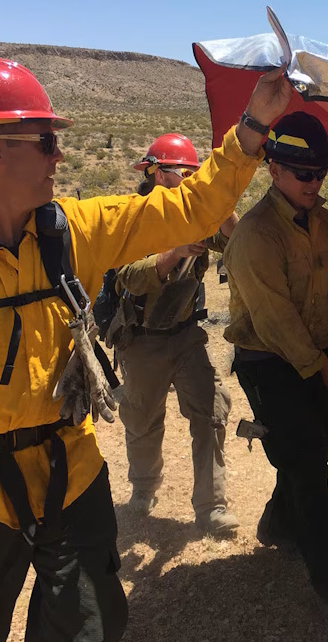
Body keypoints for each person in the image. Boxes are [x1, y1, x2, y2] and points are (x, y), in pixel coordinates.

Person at [0, 57, 290, 642]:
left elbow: (191, 209)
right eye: (45, 141)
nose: (59, 156)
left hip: (69, 475)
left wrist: (254, 123)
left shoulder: (73, 231)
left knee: (89, 630)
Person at [222, 111, 328, 633]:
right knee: (309, 469)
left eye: (320, 172)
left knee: (308, 454)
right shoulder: (256, 235)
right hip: (269, 363)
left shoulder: (324, 224)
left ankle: (278, 524)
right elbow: (274, 319)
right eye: (303, 173)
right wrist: (322, 367)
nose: (314, 182)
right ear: (274, 169)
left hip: (322, 357)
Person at [109, 133, 239, 534]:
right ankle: (144, 490)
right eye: (175, 173)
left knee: (210, 409)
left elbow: (237, 240)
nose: (181, 182)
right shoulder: (131, 217)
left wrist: (220, 202)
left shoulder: (195, 214)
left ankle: (211, 506)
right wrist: (176, 251)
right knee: (143, 420)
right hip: (142, 339)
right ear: (152, 173)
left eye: (189, 175)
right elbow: (127, 278)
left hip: (186, 335)